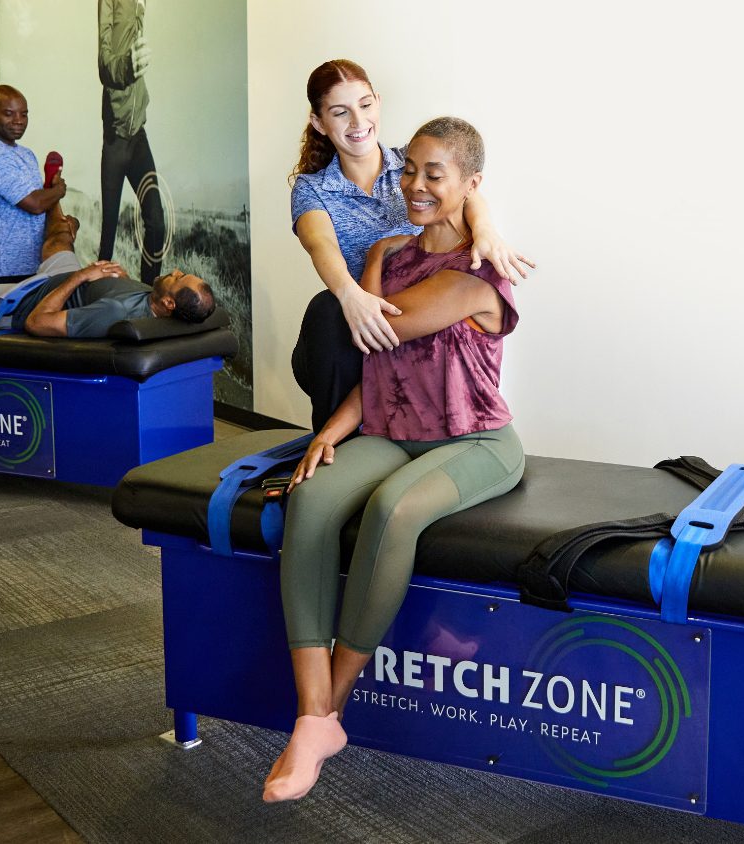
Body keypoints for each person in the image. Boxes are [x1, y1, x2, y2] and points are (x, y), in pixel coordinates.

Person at [264, 117, 524, 802]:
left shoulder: (478, 274)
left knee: (393, 509)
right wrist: (335, 429)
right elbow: (378, 363)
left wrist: (483, 221)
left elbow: (384, 322)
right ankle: (311, 717)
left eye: (434, 175)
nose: (413, 184)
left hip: (474, 442)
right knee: (312, 498)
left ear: (470, 185)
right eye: (408, 169)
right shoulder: (386, 253)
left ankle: (329, 713)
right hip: (387, 428)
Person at [290, 59, 535, 433]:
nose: (358, 122)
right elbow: (321, 244)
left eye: (365, 105)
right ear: (320, 123)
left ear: (378, 102)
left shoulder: (411, 161)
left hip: (415, 321)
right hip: (351, 331)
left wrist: (486, 230)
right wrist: (351, 297)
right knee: (329, 310)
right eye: (341, 113)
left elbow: (465, 188)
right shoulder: (313, 190)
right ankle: (334, 451)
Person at [0, 201, 214, 339]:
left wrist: (82, 276)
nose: (174, 270)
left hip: (22, 300)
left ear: (169, 304)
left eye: (177, 278)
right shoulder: (153, 300)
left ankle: (59, 217)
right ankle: (56, 198)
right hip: (64, 278)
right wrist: (115, 278)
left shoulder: (113, 312)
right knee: (60, 236)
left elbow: (37, 322)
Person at [0, 85, 67, 286]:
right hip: (0, 272)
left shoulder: (26, 154)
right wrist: (59, 190)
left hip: (33, 268)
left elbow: (41, 201)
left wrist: (50, 192)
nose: (18, 121)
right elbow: (35, 204)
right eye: (9, 114)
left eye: (24, 114)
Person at [98, 0, 165, 285]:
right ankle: (94, 291)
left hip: (138, 136)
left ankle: (150, 294)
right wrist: (129, 66)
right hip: (115, 137)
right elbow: (104, 65)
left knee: (157, 223)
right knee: (108, 233)